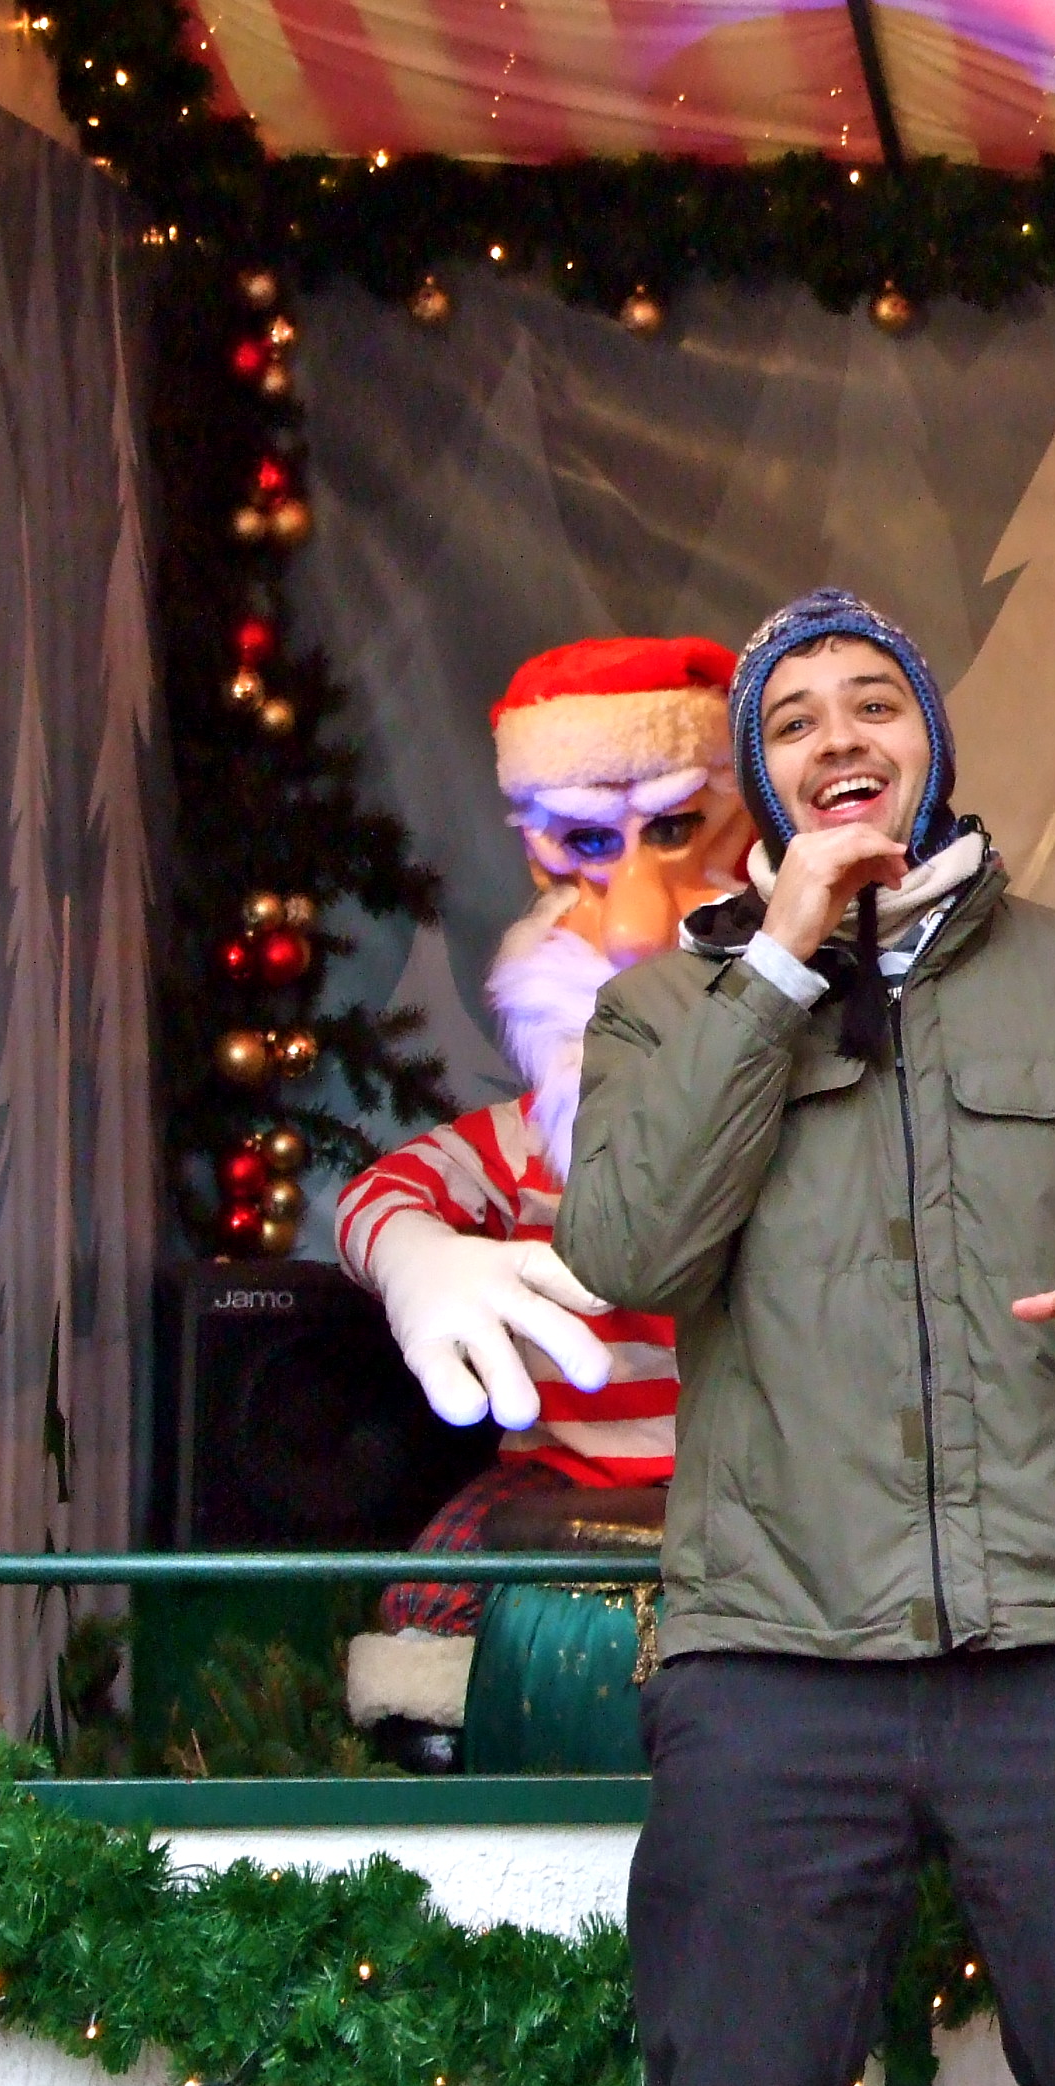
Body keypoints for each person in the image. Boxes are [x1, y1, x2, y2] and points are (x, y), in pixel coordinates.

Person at [553, 587, 1055, 2086]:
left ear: (929, 742)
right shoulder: (660, 1010)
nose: (839, 739)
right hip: (768, 1665)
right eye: (793, 720)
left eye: (873, 703)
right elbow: (628, 1253)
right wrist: (781, 962)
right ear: (762, 780)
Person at [336, 636, 752, 1760]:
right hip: (561, 1473)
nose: (631, 923)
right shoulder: (523, 1145)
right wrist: (422, 1255)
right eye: (587, 845)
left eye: (675, 831)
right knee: (436, 1609)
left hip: (767, 1479)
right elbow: (385, 1191)